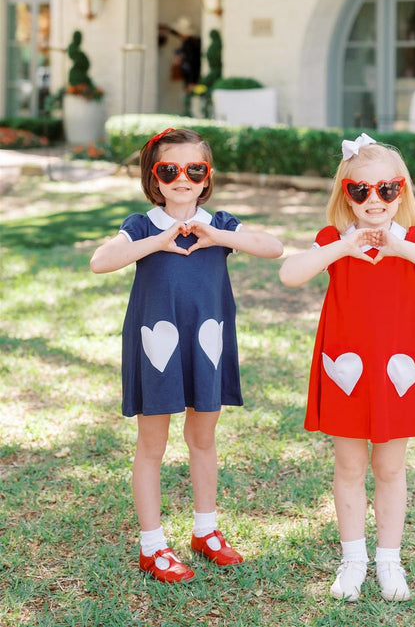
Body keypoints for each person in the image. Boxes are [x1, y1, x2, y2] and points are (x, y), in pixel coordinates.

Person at [279, 133, 415, 603]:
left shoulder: (412, 241)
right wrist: (342, 247)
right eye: (360, 190)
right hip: (347, 370)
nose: (375, 199)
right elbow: (290, 272)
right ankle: (353, 557)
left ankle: (389, 557)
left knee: (390, 467)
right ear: (346, 193)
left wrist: (403, 245)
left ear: (402, 190)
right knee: (348, 465)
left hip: (396, 371)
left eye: (387, 188)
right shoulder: (334, 241)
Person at [90, 127, 283, 583]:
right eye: (169, 170)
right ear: (154, 178)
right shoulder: (141, 226)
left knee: (203, 439)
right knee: (152, 445)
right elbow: (100, 261)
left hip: (206, 342)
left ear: (206, 176)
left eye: (194, 169)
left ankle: (206, 530)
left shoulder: (221, 225)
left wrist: (217, 235)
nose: (183, 178)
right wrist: (157, 242)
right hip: (156, 346)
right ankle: (152, 544)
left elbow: (274, 248)